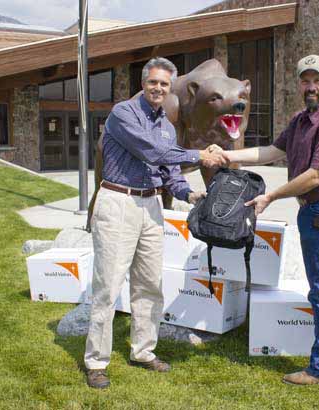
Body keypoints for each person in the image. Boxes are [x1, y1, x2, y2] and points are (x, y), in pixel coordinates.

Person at [222, 54, 319, 386]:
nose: (310, 86)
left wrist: (270, 196)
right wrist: (227, 154)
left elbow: (317, 176)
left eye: (317, 80)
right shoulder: (301, 120)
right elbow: (270, 151)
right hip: (318, 213)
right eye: (305, 81)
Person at [84, 57, 228, 389]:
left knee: (149, 284)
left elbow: (170, 172)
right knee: (108, 285)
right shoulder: (123, 114)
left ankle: (143, 352)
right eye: (153, 82)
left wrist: (190, 195)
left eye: (164, 84)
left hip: (150, 206)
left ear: (169, 87)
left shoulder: (165, 124)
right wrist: (198, 155)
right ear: (143, 83)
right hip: (118, 201)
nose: (158, 88)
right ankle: (96, 361)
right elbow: (152, 152)